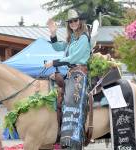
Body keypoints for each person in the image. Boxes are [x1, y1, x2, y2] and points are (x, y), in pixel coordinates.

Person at [46, 9, 91, 150]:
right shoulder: (72, 39)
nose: (73, 23)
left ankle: (74, 138)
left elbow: (73, 58)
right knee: (58, 96)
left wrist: (54, 62)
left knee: (71, 100)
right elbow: (57, 46)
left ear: (80, 21)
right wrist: (53, 33)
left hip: (79, 74)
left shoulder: (83, 37)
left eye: (75, 20)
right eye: (70, 21)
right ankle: (60, 132)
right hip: (71, 74)